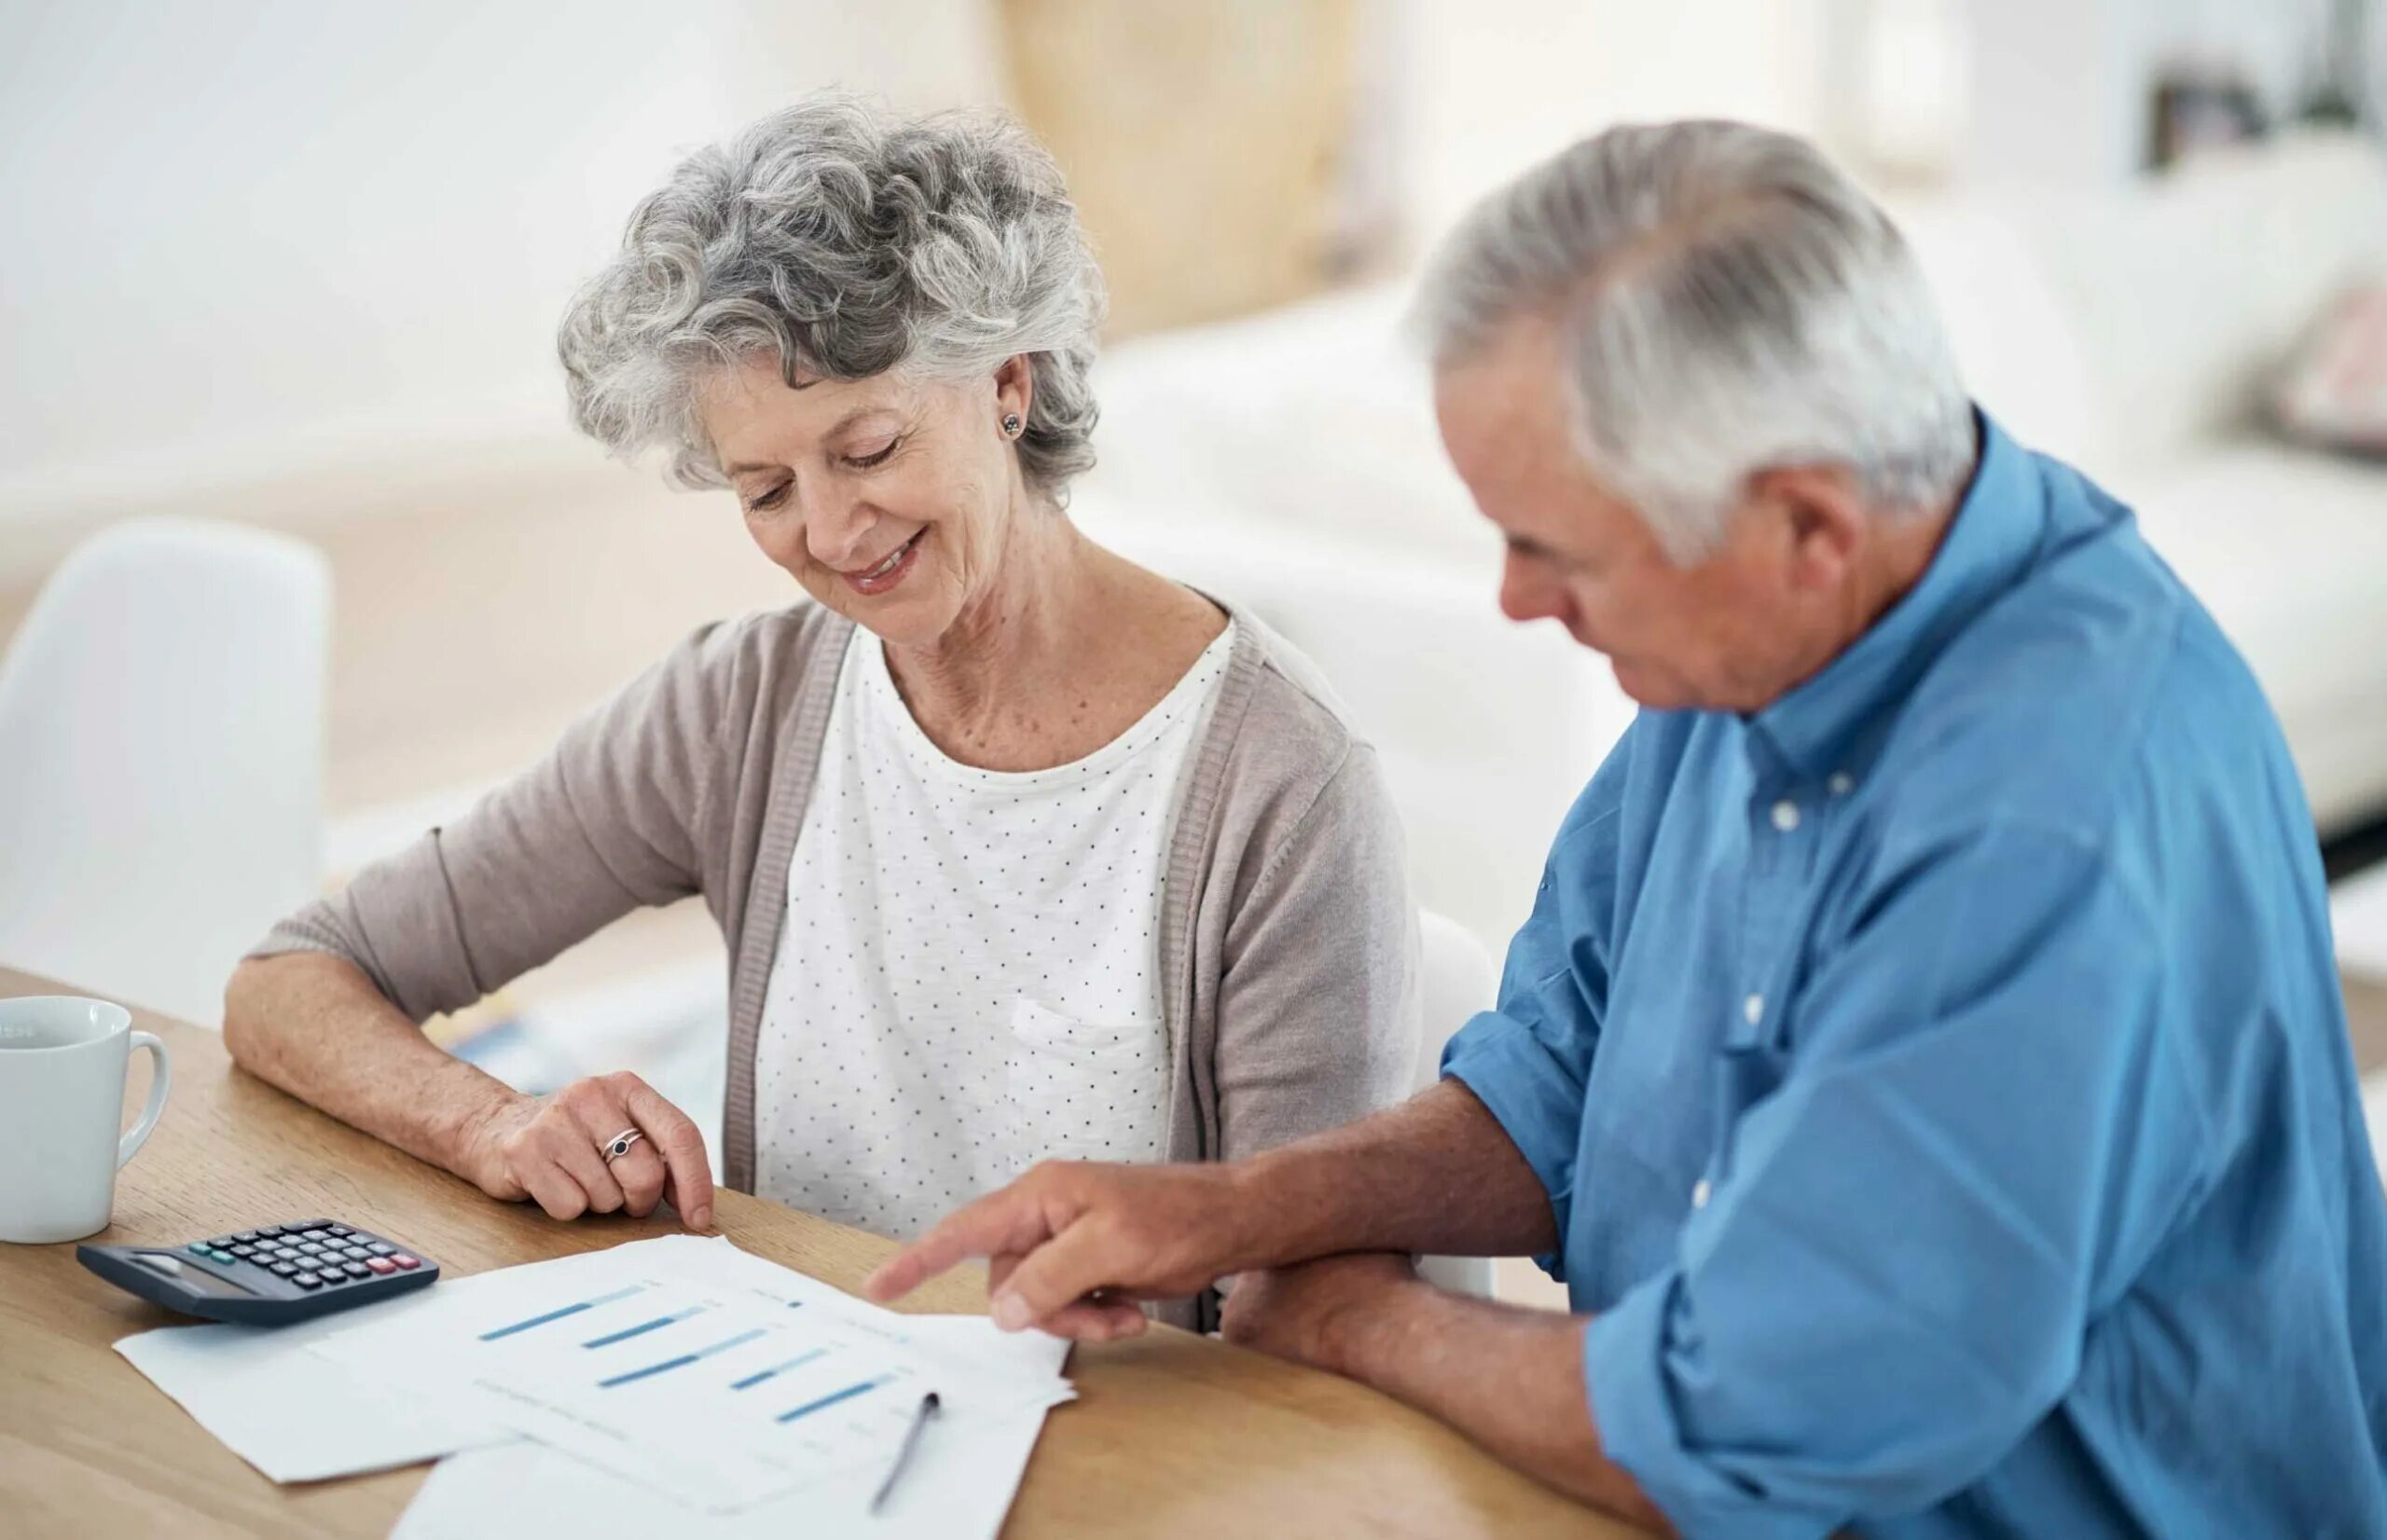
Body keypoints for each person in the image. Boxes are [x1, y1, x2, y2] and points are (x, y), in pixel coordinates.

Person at [866, 120, 2387, 1534]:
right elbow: (1557, 1085)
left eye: (1556, 548)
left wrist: (1351, 1313)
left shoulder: (2053, 822)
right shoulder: (1772, 628)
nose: (1519, 601)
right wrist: (1232, 1210)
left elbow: (1745, 1422)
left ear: (1806, 526)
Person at [222, 94, 1417, 1330]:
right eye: (767, 488)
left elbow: (1325, 1313)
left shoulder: (1274, 779)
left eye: (869, 449)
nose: (834, 536)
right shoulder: (741, 705)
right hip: (792, 1421)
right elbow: (296, 978)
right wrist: (494, 1123)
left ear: (1007, 382)